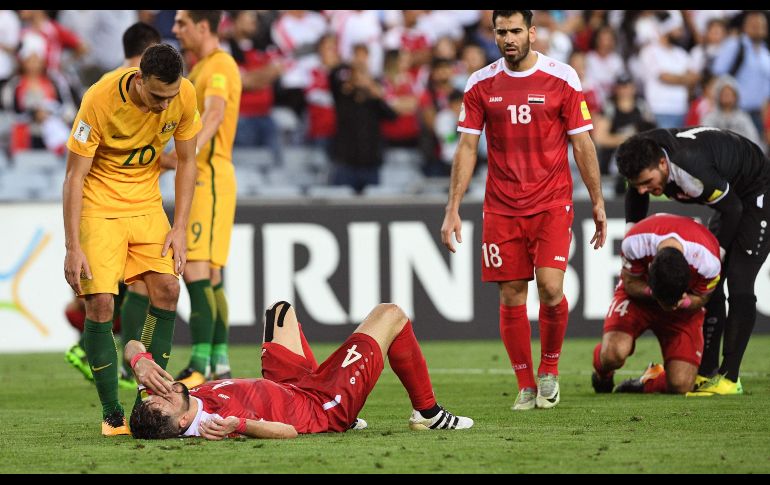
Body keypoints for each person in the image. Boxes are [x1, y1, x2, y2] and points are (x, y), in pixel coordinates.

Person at [440, 10, 607, 411]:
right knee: (512, 295)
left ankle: (549, 369)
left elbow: (582, 144)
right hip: (501, 205)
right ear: (493, 35)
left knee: (550, 287)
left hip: (551, 201)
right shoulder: (480, 84)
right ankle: (526, 383)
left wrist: (598, 201)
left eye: (516, 31)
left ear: (531, 32)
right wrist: (453, 208)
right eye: (502, 32)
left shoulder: (563, 77)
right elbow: (466, 147)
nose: (509, 38)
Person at [62, 43, 201, 436]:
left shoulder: (183, 95)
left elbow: (188, 161)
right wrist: (73, 247)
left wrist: (179, 227)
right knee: (102, 304)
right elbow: (74, 177)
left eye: (170, 96)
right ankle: (112, 415)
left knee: (168, 289)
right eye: (157, 96)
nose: (163, 106)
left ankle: (149, 396)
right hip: (99, 204)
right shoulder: (99, 99)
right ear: (139, 79)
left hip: (145, 203)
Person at [126, 301, 474, 439]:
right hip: (321, 404)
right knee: (390, 314)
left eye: (154, 396)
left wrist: (139, 360)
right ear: (184, 422)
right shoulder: (216, 423)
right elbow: (289, 432)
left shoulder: (169, 400)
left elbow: (132, 344)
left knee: (279, 311)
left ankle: (329, 377)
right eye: (164, 401)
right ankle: (428, 412)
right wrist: (243, 425)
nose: (165, 392)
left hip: (290, 386)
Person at [616, 126, 770, 395]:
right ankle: (706, 372)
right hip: (730, 195)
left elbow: (733, 207)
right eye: (636, 184)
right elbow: (635, 191)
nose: (643, 191)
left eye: (647, 182)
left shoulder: (690, 169)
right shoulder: (644, 154)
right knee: (713, 281)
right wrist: (632, 233)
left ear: (663, 164)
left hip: (758, 189)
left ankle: (730, 378)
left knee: (737, 279)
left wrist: (718, 254)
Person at [63, 22, 164, 390]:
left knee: (134, 288)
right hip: (106, 207)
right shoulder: (108, 93)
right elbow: (85, 161)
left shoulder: (147, 92)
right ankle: (95, 352)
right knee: (121, 290)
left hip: (134, 204)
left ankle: (126, 360)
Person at [170, 11, 242, 388]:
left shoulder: (219, 66)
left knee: (196, 267)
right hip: (208, 176)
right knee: (210, 275)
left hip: (207, 177)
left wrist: (186, 157)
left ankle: (200, 363)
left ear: (203, 26)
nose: (174, 29)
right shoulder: (203, 68)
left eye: (182, 23)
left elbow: (214, 113)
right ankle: (218, 362)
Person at [591, 214, 721, 395]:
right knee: (613, 354)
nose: (666, 308)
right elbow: (629, 283)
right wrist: (654, 294)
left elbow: (703, 298)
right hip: (639, 300)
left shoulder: (709, 261)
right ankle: (603, 372)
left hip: (682, 311)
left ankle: (648, 380)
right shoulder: (635, 241)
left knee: (681, 385)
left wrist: (684, 302)